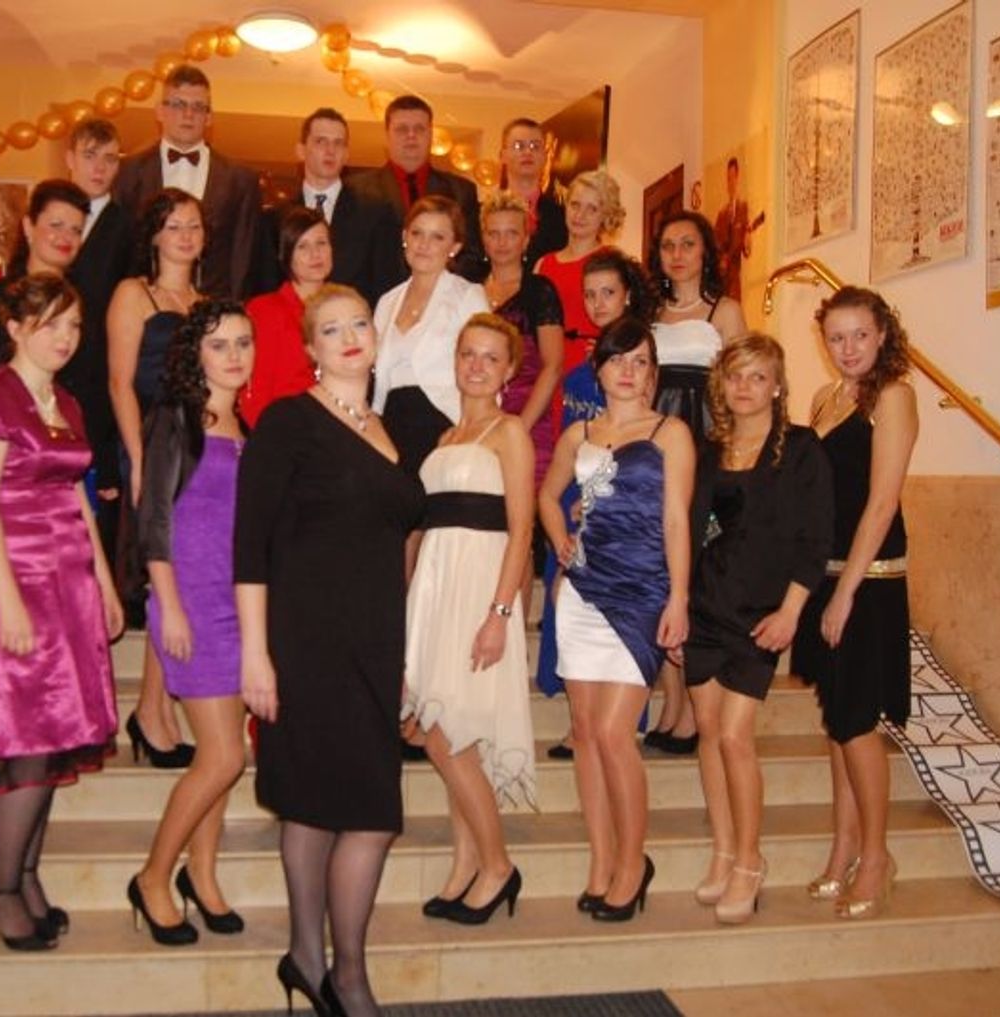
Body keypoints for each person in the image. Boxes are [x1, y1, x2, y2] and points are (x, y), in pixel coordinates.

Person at [236, 284, 425, 1017]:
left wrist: (401, 652)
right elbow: (250, 547)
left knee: (365, 810)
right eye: (331, 329)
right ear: (310, 348)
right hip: (305, 640)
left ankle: (317, 963)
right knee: (315, 806)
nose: (348, 337)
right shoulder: (287, 421)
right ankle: (333, 970)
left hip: (374, 641)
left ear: (376, 337)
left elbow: (396, 545)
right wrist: (256, 655)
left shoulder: (391, 428)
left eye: (359, 324)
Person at [0, 273, 125, 950]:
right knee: (27, 741)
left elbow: (76, 496)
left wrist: (103, 582)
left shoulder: (65, 401)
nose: (65, 338)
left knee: (54, 731)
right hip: (6, 580)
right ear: (15, 328)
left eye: (73, 326)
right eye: (50, 325)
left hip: (65, 581)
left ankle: (26, 875)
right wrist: (10, 604)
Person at [539, 316, 693, 923]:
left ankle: (633, 863)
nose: (628, 371)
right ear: (598, 369)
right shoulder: (578, 433)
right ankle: (601, 861)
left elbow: (677, 521)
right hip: (583, 591)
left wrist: (679, 598)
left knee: (612, 733)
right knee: (584, 731)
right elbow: (547, 495)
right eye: (618, 359)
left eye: (640, 361)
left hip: (643, 592)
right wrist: (561, 539)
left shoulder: (670, 432)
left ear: (652, 374)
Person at [685, 333, 832, 925]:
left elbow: (816, 538)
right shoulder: (708, 448)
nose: (744, 387)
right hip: (705, 605)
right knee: (706, 731)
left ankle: (750, 861)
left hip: (761, 613)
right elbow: (690, 530)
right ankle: (723, 852)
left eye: (757, 376)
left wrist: (792, 611)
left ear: (776, 385)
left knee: (733, 736)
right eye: (734, 376)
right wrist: (677, 602)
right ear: (721, 384)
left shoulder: (800, 448)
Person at [403, 314, 537, 927]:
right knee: (455, 736)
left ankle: (499, 866)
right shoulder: (446, 437)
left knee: (445, 739)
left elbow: (522, 531)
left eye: (490, 357)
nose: (477, 366)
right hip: (435, 594)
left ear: (509, 371)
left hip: (480, 592)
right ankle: (466, 866)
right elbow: (425, 530)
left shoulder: (510, 433)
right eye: (468, 354)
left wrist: (500, 613)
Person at [128, 300, 255, 946]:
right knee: (226, 754)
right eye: (219, 345)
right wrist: (168, 604)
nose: (234, 356)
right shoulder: (176, 417)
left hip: (238, 605)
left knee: (222, 755)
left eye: (243, 342)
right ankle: (153, 876)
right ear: (194, 355)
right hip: (192, 601)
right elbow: (154, 516)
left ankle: (201, 873)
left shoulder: (246, 425)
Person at [793, 286, 918, 921]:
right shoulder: (825, 398)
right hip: (826, 574)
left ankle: (876, 857)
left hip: (868, 581)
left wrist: (845, 593)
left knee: (857, 723)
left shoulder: (893, 396)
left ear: (882, 334)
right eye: (836, 337)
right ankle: (843, 849)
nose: (847, 348)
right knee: (837, 719)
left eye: (859, 335)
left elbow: (882, 503)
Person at [535, 250, 658, 752]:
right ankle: (578, 719)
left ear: (627, 295)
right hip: (573, 492)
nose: (599, 302)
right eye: (589, 294)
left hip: (625, 510)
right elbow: (566, 437)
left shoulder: (640, 361)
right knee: (564, 600)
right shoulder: (576, 370)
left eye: (608, 292)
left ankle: (623, 717)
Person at [106, 188, 206, 769]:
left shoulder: (207, 301)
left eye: (194, 226)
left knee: (184, 578)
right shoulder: (133, 294)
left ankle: (156, 708)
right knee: (163, 574)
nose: (185, 236)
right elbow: (120, 383)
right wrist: (139, 458)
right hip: (151, 439)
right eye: (174, 226)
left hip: (199, 446)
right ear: (155, 236)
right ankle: (151, 711)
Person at [641, 211, 746, 755]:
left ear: (705, 251)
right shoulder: (648, 312)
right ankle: (671, 700)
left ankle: (695, 708)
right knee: (661, 572)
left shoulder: (723, 310)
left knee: (696, 570)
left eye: (688, 244)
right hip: (657, 439)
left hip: (705, 441)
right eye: (667, 246)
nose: (677, 254)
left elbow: (742, 382)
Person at [113, 64, 260, 299]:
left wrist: (233, 309)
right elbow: (119, 251)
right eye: (178, 104)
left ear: (209, 117)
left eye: (198, 107)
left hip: (215, 308)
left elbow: (244, 257)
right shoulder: (127, 172)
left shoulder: (240, 180)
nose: (188, 114)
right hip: (146, 304)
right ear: (160, 111)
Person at [373, 195, 492, 478]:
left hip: (445, 425)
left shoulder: (467, 296)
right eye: (417, 233)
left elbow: (489, 371)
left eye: (437, 237)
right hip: (390, 426)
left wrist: (474, 432)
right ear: (404, 237)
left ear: (454, 247)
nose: (424, 244)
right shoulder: (387, 302)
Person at [62, 117, 133, 565]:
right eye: (90, 156)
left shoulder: (127, 226)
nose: (99, 168)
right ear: (70, 158)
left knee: (91, 532)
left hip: (97, 384)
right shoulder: (49, 214)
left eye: (109, 159)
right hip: (46, 381)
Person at [252, 107, 401, 308]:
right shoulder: (274, 219)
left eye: (338, 143)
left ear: (346, 155)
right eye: (321, 141)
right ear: (301, 151)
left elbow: (388, 288)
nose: (330, 151)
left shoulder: (376, 213)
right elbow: (267, 286)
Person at [348, 94, 486, 284]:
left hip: (442, 298)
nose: (411, 136)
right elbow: (349, 257)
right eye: (402, 129)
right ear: (387, 135)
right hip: (374, 300)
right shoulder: (355, 190)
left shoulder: (461, 191)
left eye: (419, 129)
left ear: (430, 135)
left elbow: (472, 257)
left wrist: (434, 288)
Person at [481, 191, 564, 496]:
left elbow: (553, 366)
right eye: (494, 233)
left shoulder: (540, 290)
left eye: (512, 233)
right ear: (483, 239)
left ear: (526, 240)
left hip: (529, 419)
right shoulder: (467, 290)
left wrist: (518, 428)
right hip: (478, 418)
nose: (502, 242)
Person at [0, 180, 89, 379]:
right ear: (28, 227)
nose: (66, 237)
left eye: (76, 230)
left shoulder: (86, 300)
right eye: (56, 225)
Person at [534, 170, 625, 418]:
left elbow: (632, 322)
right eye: (575, 205)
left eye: (591, 209)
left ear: (605, 216)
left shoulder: (614, 261)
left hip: (593, 367)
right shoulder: (543, 264)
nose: (580, 215)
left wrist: (608, 349)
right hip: (546, 369)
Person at [241, 206, 330, 426]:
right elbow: (254, 395)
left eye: (321, 243)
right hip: (284, 430)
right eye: (302, 246)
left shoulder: (344, 307)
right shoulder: (264, 310)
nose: (315, 254)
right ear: (286, 255)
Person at [499, 118, 567, 270]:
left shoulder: (563, 218)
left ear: (544, 156)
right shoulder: (479, 215)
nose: (527, 152)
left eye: (535, 146)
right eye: (518, 146)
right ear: (503, 155)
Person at [713, 157, 754, 302]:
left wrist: (747, 241)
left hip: (735, 279)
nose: (730, 183)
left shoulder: (743, 209)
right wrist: (721, 261)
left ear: (737, 178)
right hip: (722, 280)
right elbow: (715, 244)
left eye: (732, 177)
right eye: (728, 178)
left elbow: (746, 250)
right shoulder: (722, 214)